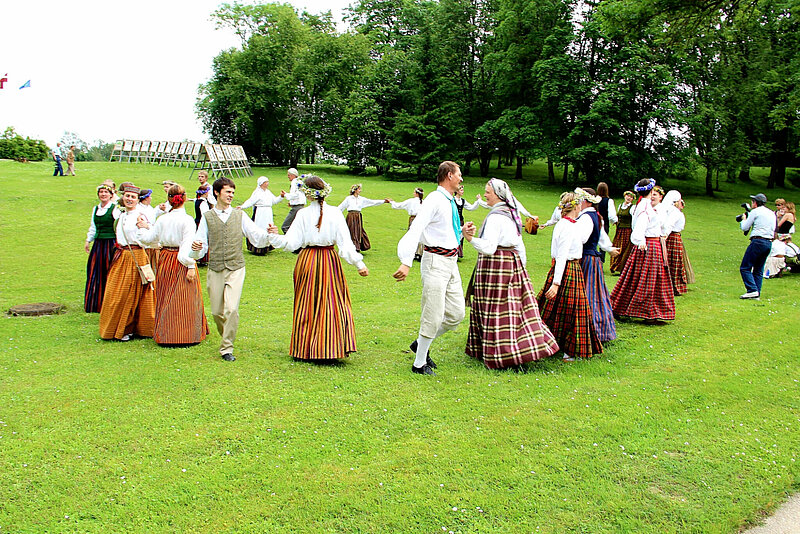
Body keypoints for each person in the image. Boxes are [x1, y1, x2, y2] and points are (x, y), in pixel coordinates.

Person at [267, 175, 369, 360]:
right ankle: (329, 348)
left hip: (307, 260)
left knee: (306, 303)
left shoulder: (303, 214)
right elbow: (345, 244)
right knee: (332, 303)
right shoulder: (335, 213)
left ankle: (305, 349)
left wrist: (274, 236)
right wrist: (359, 264)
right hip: (328, 260)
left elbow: (290, 243)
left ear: (307, 194)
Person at [463, 178, 559, 368]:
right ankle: (521, 347)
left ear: (498, 195)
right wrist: (521, 268)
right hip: (511, 264)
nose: (485, 195)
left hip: (495, 266)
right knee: (513, 309)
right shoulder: (510, 213)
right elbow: (519, 244)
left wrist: (470, 239)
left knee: (496, 310)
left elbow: (489, 247)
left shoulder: (497, 217)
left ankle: (502, 353)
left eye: (487, 192)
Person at [393, 161, 466, 376]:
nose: (461, 179)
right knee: (433, 314)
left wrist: (463, 231)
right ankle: (418, 363)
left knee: (456, 314)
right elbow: (415, 229)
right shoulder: (435, 199)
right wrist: (406, 261)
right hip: (435, 261)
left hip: (451, 263)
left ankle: (420, 344)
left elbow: (445, 231)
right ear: (450, 175)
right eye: (459, 174)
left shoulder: (450, 201)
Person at [189, 177, 271, 361]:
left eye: (233, 192)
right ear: (217, 193)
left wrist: (270, 236)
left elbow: (255, 235)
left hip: (236, 267)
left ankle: (227, 348)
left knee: (231, 309)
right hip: (216, 267)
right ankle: (225, 334)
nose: (231, 195)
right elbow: (200, 242)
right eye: (228, 192)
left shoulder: (239, 215)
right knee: (217, 312)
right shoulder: (207, 217)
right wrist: (195, 250)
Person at [136, 184, 209, 345]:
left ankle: (167, 332)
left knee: (166, 295)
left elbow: (148, 239)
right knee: (185, 298)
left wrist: (141, 229)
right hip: (181, 260)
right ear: (184, 199)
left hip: (165, 259)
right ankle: (186, 334)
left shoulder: (162, 219)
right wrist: (190, 265)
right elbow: (187, 245)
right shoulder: (187, 220)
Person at [537, 192, 603, 361]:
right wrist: (556, 283)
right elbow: (561, 255)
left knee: (562, 309)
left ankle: (554, 344)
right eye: (580, 203)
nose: (582, 206)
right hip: (567, 269)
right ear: (575, 206)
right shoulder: (565, 226)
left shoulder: (571, 224)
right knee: (573, 309)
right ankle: (566, 349)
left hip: (572, 268)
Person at [610, 178, 675, 322]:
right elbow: (639, 228)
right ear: (650, 191)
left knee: (638, 278)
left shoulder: (645, 206)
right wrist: (641, 241)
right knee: (646, 279)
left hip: (652, 243)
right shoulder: (644, 208)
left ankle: (624, 307)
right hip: (648, 245)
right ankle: (645, 313)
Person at [98, 184, 156, 341]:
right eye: (127, 196)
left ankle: (130, 328)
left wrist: (146, 227)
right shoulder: (121, 215)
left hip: (136, 256)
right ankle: (117, 326)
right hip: (121, 256)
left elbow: (148, 237)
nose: (129, 199)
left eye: (133, 197)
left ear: (138, 200)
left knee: (132, 292)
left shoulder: (140, 216)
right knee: (115, 291)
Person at [576, 188, 619, 343]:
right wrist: (609, 248)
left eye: (579, 199)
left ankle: (591, 329)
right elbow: (602, 237)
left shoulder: (586, 218)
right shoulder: (595, 216)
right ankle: (598, 329)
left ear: (585, 201)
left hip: (586, 259)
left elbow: (581, 239)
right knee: (595, 293)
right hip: (592, 259)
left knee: (587, 294)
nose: (577, 203)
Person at [84, 183, 120, 313]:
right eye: (101, 192)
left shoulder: (115, 209)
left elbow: (118, 226)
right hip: (98, 244)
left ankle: (108, 302)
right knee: (94, 271)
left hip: (110, 244)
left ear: (111, 195)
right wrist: (88, 240)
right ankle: (94, 304)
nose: (103, 194)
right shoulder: (95, 209)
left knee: (108, 271)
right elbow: (93, 226)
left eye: (106, 192)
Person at [738, 193, 776, 299]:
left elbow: (745, 227)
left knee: (745, 267)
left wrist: (744, 219)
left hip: (757, 241)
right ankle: (756, 292)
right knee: (758, 269)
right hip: (768, 242)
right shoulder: (771, 213)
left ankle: (752, 289)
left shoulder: (755, 212)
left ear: (755, 203)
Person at [239, 176, 284, 254]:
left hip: (268, 213)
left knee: (268, 229)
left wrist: (281, 197)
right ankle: (258, 247)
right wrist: (242, 206)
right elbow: (250, 201)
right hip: (260, 213)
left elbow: (274, 201)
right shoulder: (257, 193)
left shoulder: (268, 192)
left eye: (267, 182)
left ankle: (267, 246)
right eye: (266, 182)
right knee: (259, 228)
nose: (267, 184)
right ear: (261, 184)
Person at [338, 184, 389, 252]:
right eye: (359, 189)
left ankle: (358, 246)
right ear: (355, 190)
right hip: (351, 216)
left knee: (358, 231)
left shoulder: (361, 199)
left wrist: (383, 201)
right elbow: (341, 207)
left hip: (358, 216)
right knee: (351, 231)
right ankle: (350, 247)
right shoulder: (349, 198)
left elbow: (372, 202)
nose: (360, 191)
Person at [662, 190, 688, 295]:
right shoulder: (674, 211)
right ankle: (674, 286)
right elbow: (669, 225)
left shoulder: (667, 209)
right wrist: (665, 235)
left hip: (671, 237)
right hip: (673, 237)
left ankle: (670, 285)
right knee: (674, 261)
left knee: (670, 260)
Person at [390, 187, 425, 262]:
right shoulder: (424, 202)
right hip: (421, 220)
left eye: (414, 192)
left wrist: (392, 202)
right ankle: (420, 253)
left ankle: (413, 252)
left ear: (416, 194)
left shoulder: (411, 201)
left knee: (412, 235)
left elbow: (399, 205)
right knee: (420, 235)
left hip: (413, 219)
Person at [610, 191, 635, 275]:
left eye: (631, 197)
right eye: (627, 196)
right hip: (619, 230)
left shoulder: (632, 208)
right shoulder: (620, 206)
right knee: (616, 246)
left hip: (627, 230)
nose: (628, 198)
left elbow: (634, 219)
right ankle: (614, 266)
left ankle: (621, 267)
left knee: (624, 248)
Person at [595, 182, 617, 263]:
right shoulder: (609, 201)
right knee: (603, 243)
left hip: (594, 222)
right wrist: (614, 221)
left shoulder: (594, 200)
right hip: (604, 223)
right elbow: (611, 215)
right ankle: (601, 260)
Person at [193, 184, 213, 266]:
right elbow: (205, 214)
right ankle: (202, 259)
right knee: (203, 239)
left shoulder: (197, 201)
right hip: (201, 222)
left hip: (197, 221)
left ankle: (199, 258)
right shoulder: (203, 203)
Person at [281, 168, 305, 234]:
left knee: (285, 226)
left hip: (297, 207)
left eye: (289, 175)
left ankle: (290, 240)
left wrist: (285, 195)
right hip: (299, 206)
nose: (288, 176)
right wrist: (291, 203)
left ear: (293, 175)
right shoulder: (299, 182)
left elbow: (296, 195)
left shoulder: (295, 182)